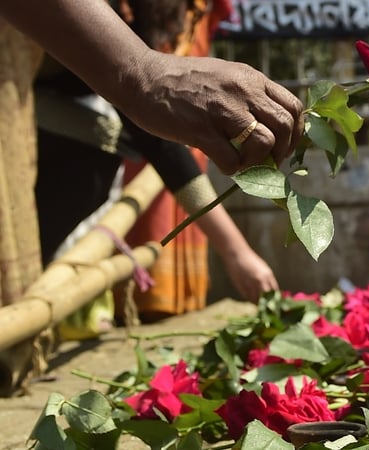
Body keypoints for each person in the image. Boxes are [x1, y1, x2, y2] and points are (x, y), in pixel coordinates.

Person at [35, 0, 280, 324]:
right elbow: (161, 146)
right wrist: (236, 251)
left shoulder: (126, 31)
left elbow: (159, 144)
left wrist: (237, 252)